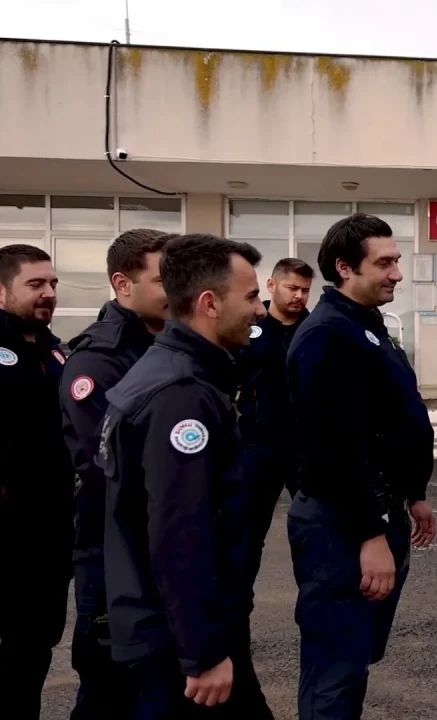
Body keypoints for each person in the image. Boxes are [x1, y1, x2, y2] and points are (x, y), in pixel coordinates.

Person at [98, 233, 270, 719]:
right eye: (251, 297)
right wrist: (203, 652)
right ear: (210, 303)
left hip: (181, 630)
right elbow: (180, 533)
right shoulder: (182, 394)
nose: (260, 310)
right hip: (176, 643)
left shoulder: (180, 373)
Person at [286, 214, 437, 720]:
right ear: (345, 268)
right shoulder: (327, 334)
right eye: (385, 263)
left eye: (397, 261)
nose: (397, 273)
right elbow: (333, 447)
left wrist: (414, 492)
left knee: (356, 658)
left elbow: (391, 421)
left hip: (377, 510)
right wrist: (369, 535)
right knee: (336, 669)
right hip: (342, 526)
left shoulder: (366, 326)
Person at [59, 228, 173, 718]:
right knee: (109, 686)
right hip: (112, 550)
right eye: (164, 279)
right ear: (123, 284)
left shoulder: (172, 346)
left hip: (165, 546)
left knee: (162, 686)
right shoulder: (98, 360)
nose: (178, 290)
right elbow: (107, 464)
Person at [0, 244, 75, 719]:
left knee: (33, 646)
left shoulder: (56, 351)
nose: (48, 293)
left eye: (52, 284)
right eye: (35, 284)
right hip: (5, 528)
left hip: (50, 528)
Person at [234, 257, 313, 598]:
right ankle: (236, 615)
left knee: (315, 533)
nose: (299, 296)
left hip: (305, 448)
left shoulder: (315, 328)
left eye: (305, 290)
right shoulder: (250, 325)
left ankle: (318, 610)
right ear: (271, 285)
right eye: (292, 288)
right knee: (245, 538)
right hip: (258, 446)